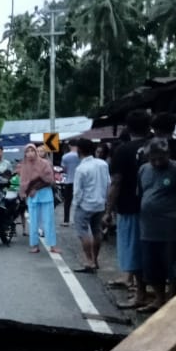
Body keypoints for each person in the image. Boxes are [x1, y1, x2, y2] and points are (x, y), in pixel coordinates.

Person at [136, 139, 176, 313]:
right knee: (152, 266)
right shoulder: (143, 170)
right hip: (148, 229)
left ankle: (174, 300)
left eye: (160, 158)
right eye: (152, 159)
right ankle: (159, 299)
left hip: (172, 229)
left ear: (168, 155)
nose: (156, 162)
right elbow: (141, 193)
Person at [105, 110, 151, 307]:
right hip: (157, 209)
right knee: (152, 249)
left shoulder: (123, 151)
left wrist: (108, 211)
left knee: (134, 251)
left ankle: (140, 293)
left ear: (128, 127)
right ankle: (154, 293)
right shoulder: (157, 146)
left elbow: (116, 182)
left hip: (129, 206)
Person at [71, 139, 110, 273]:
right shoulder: (102, 164)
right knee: (96, 231)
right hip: (100, 204)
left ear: (79, 150)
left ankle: (89, 260)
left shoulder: (81, 168)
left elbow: (77, 191)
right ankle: (95, 260)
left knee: (83, 231)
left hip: (85, 204)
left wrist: (75, 205)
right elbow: (108, 183)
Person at [18, 143, 59, 254]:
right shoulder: (24, 166)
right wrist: (27, 191)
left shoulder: (45, 163)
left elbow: (49, 179)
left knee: (49, 221)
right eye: (27, 151)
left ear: (36, 152)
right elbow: (23, 182)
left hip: (45, 194)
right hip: (32, 196)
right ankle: (34, 245)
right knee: (34, 222)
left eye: (32, 151)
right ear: (25, 154)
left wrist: (35, 187)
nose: (30, 154)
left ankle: (52, 245)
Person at [59, 142, 80, 227]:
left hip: (69, 181)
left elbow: (64, 169)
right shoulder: (80, 155)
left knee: (67, 202)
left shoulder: (65, 156)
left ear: (69, 146)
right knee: (79, 201)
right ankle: (78, 220)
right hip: (79, 181)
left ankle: (66, 220)